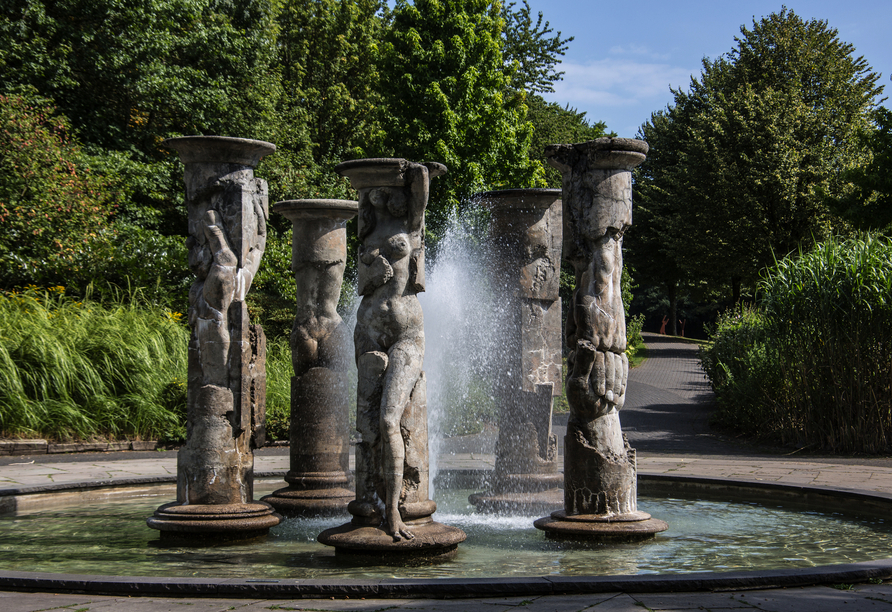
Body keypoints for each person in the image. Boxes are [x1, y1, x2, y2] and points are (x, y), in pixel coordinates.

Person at [353, 164, 428, 542]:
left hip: (405, 335)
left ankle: (395, 512)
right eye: (373, 194)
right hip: (366, 332)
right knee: (366, 426)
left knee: (388, 421)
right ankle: (368, 503)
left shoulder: (411, 228)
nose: (381, 197)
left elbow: (421, 190)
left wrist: (414, 171)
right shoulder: (366, 228)